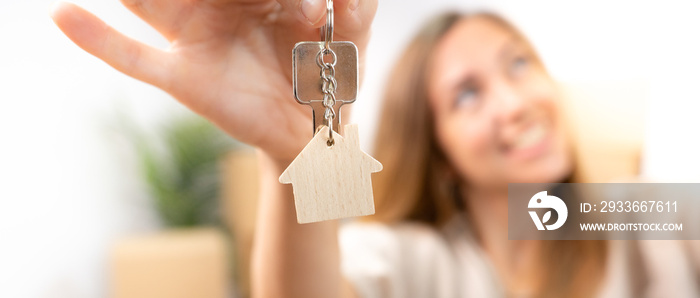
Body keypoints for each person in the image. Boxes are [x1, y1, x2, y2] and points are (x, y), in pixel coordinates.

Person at [50, 1, 699, 297]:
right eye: (467, 95)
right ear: (436, 147)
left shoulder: (623, 213)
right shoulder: (413, 260)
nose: (514, 103)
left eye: (519, 65)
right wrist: (295, 154)